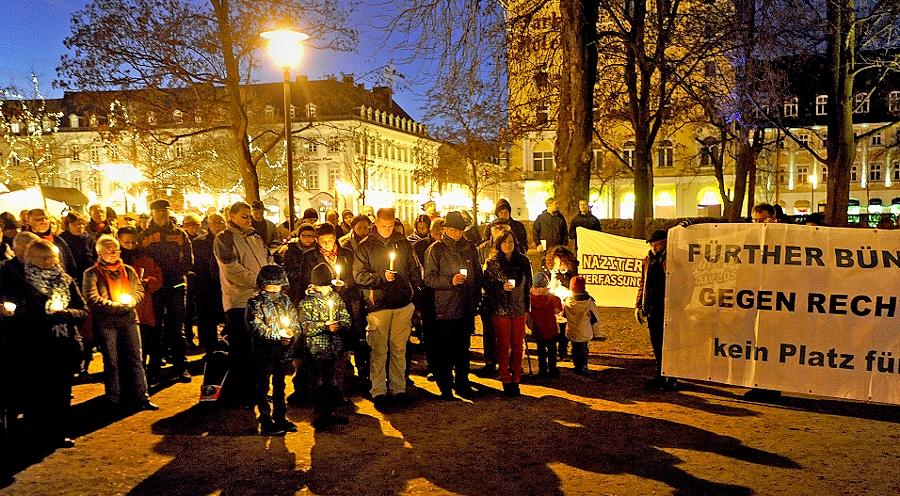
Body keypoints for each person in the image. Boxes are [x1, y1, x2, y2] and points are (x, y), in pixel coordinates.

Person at [18, 239, 88, 449]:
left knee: (61, 392)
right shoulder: (24, 282)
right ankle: (35, 434)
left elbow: (83, 310)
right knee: (37, 393)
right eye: (44, 258)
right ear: (32, 259)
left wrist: (64, 314)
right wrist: (43, 316)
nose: (49, 261)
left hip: (62, 344)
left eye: (52, 257)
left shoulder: (66, 281)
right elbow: (20, 313)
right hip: (36, 345)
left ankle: (58, 433)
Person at [352, 207, 421, 407]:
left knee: (399, 349)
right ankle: (379, 391)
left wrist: (414, 291)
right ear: (376, 222)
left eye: (391, 225)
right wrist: (381, 278)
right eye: (384, 225)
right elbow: (358, 276)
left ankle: (398, 389)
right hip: (378, 305)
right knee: (379, 350)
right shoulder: (366, 246)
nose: (388, 229)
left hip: (402, 303)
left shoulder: (403, 243)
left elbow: (414, 268)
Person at [83, 235, 158, 411]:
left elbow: (138, 289)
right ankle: (113, 397)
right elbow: (93, 298)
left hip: (130, 319)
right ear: (99, 252)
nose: (114, 253)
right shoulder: (91, 274)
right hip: (107, 322)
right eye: (110, 250)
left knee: (136, 358)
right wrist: (117, 306)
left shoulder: (128, 270)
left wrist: (132, 301)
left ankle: (142, 396)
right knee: (112, 360)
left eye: (116, 249)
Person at [214, 201, 271, 406]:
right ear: (232, 216)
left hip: (260, 298)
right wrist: (260, 280)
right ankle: (240, 393)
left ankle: (258, 390)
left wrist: (271, 276)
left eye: (249, 215)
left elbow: (267, 258)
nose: (248, 219)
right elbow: (231, 269)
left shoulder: (255, 236)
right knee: (242, 349)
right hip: (238, 300)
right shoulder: (224, 238)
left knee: (259, 348)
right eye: (244, 216)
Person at [423, 211, 482, 400]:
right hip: (445, 306)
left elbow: (477, 274)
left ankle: (463, 383)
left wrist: (474, 295)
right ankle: (445, 385)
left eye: (460, 230)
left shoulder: (470, 248)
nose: (458, 234)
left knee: (463, 348)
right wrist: (450, 281)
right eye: (454, 230)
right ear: (445, 229)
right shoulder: (436, 250)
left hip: (465, 306)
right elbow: (429, 278)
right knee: (446, 348)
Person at [141, 199, 193, 383]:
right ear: (152, 213)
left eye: (164, 210)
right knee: (154, 327)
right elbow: (140, 259)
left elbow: (188, 259)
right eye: (158, 211)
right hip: (155, 287)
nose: (162, 214)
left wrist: (178, 274)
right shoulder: (145, 235)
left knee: (177, 327)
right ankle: (154, 367)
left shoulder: (179, 234)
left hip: (176, 285)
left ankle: (181, 366)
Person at [246, 264, 300, 435]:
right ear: (262, 284)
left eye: (278, 285)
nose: (275, 288)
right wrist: (278, 335)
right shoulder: (255, 303)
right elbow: (256, 326)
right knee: (262, 386)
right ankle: (265, 420)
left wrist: (291, 334)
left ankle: (280, 417)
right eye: (271, 285)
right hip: (263, 352)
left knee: (280, 385)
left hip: (282, 353)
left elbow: (294, 321)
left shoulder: (285, 301)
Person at [298, 263, 352, 428]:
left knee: (332, 381)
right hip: (315, 349)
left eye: (327, 286)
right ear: (313, 286)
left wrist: (339, 325)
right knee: (318, 382)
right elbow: (305, 326)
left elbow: (346, 318)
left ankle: (332, 411)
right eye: (321, 287)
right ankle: (320, 413)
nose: (325, 290)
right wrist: (324, 326)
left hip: (333, 348)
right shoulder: (306, 303)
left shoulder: (336, 299)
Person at [482, 230, 532, 396]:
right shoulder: (492, 263)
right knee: (503, 345)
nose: (508, 245)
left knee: (518, 346)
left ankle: (516, 377)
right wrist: (500, 287)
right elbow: (487, 286)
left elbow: (527, 287)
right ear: (498, 244)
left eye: (511, 241)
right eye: (504, 242)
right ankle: (505, 377)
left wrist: (527, 309)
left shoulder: (524, 261)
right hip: (500, 308)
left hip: (519, 308)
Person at [118, 227, 164, 385]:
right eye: (126, 242)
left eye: (133, 242)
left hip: (145, 308)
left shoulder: (145, 258)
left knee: (149, 341)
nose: (130, 245)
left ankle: (151, 373)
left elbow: (157, 277)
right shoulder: (115, 260)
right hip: (122, 309)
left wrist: (145, 283)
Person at [635, 229, 676, 390]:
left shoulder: (672, 258)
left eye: (656, 243)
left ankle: (670, 376)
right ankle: (661, 373)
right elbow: (642, 283)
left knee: (669, 343)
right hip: (652, 307)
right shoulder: (648, 259)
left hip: (667, 306)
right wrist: (638, 305)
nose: (653, 246)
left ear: (664, 242)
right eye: (652, 244)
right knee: (657, 342)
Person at [475, 222, 512, 375]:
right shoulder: (483, 249)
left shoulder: (513, 249)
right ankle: (490, 362)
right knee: (489, 332)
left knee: (506, 333)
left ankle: (507, 362)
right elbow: (479, 273)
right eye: (498, 229)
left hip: (508, 299)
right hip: (489, 297)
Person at [412, 217, 443, 380]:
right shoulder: (420, 246)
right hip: (427, 295)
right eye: (436, 232)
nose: (439, 235)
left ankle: (444, 366)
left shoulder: (448, 248)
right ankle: (433, 366)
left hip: (445, 297)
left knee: (444, 335)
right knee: (430, 334)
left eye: (442, 232)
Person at [191, 212, 226, 350]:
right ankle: (208, 345)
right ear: (209, 224)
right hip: (206, 283)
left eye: (220, 222)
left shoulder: (231, 240)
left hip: (225, 282)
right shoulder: (199, 242)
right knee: (207, 317)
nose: (218, 225)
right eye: (214, 222)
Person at [544, 245, 577, 361]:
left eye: (561, 262)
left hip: (568, 301)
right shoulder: (550, 272)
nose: (559, 265)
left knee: (566, 328)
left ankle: (563, 351)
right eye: (556, 262)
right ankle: (553, 351)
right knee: (554, 328)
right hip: (554, 302)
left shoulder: (571, 272)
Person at [26, 209, 78, 280]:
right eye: (38, 219)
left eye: (46, 218)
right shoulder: (26, 241)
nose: (43, 221)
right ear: (29, 221)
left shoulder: (58, 240)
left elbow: (70, 263)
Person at [563, 276, 599, 375]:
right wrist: (596, 333)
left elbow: (563, 315)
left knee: (575, 348)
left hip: (572, 330)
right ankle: (583, 367)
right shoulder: (589, 302)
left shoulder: (567, 300)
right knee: (583, 350)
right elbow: (595, 318)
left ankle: (577, 366)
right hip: (584, 331)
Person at [528, 272, 562, 377]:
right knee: (552, 350)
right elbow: (557, 310)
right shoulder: (553, 298)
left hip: (538, 328)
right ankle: (552, 369)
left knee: (541, 351)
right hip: (551, 328)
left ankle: (542, 370)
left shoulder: (530, 299)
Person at [283, 223, 318, 304]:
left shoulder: (317, 250)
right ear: (299, 236)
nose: (307, 238)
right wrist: (297, 276)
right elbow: (286, 269)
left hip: (313, 288)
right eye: (304, 235)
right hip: (295, 290)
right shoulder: (292, 250)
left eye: (310, 236)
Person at [58, 212, 95, 286]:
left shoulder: (89, 240)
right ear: (67, 226)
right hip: (71, 276)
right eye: (74, 224)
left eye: (82, 224)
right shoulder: (61, 240)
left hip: (87, 276)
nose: (80, 226)